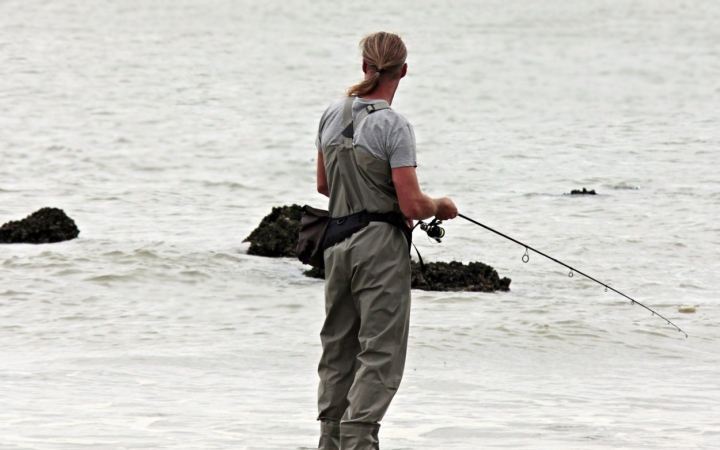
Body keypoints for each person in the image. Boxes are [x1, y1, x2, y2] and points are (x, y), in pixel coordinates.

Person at [314, 31, 458, 450]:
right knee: (380, 352)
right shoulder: (394, 125)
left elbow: (324, 186)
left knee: (338, 349)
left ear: (364, 67)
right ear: (404, 71)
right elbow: (412, 205)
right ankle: (359, 441)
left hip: (336, 245)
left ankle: (330, 440)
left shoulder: (330, 115)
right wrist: (441, 206)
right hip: (379, 247)